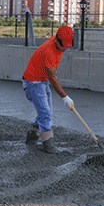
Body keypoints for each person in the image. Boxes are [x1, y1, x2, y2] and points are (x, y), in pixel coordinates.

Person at [22, 25, 74, 154]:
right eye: (64, 45)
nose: (66, 48)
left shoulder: (59, 47)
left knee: (47, 112)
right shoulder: (48, 51)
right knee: (45, 113)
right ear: (57, 40)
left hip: (42, 80)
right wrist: (65, 97)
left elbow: (52, 73)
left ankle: (31, 136)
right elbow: (53, 77)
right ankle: (48, 145)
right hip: (32, 82)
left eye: (68, 45)